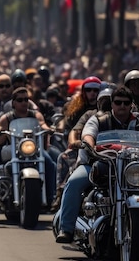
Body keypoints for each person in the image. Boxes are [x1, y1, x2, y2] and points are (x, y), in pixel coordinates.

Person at [56, 86, 137, 243]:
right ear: (112, 103)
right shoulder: (99, 119)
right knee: (74, 182)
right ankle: (66, 228)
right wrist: (90, 146)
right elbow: (88, 135)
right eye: (118, 102)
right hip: (98, 162)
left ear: (131, 104)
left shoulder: (137, 121)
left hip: (130, 168)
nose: (122, 106)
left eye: (126, 103)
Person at [0, 87, 56, 208]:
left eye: (26, 99)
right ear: (13, 102)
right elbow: (0, 137)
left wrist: (49, 129)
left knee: (50, 164)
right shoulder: (7, 118)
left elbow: (42, 124)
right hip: (12, 149)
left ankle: (52, 198)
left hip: (32, 150)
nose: (24, 102)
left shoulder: (35, 115)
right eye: (20, 100)